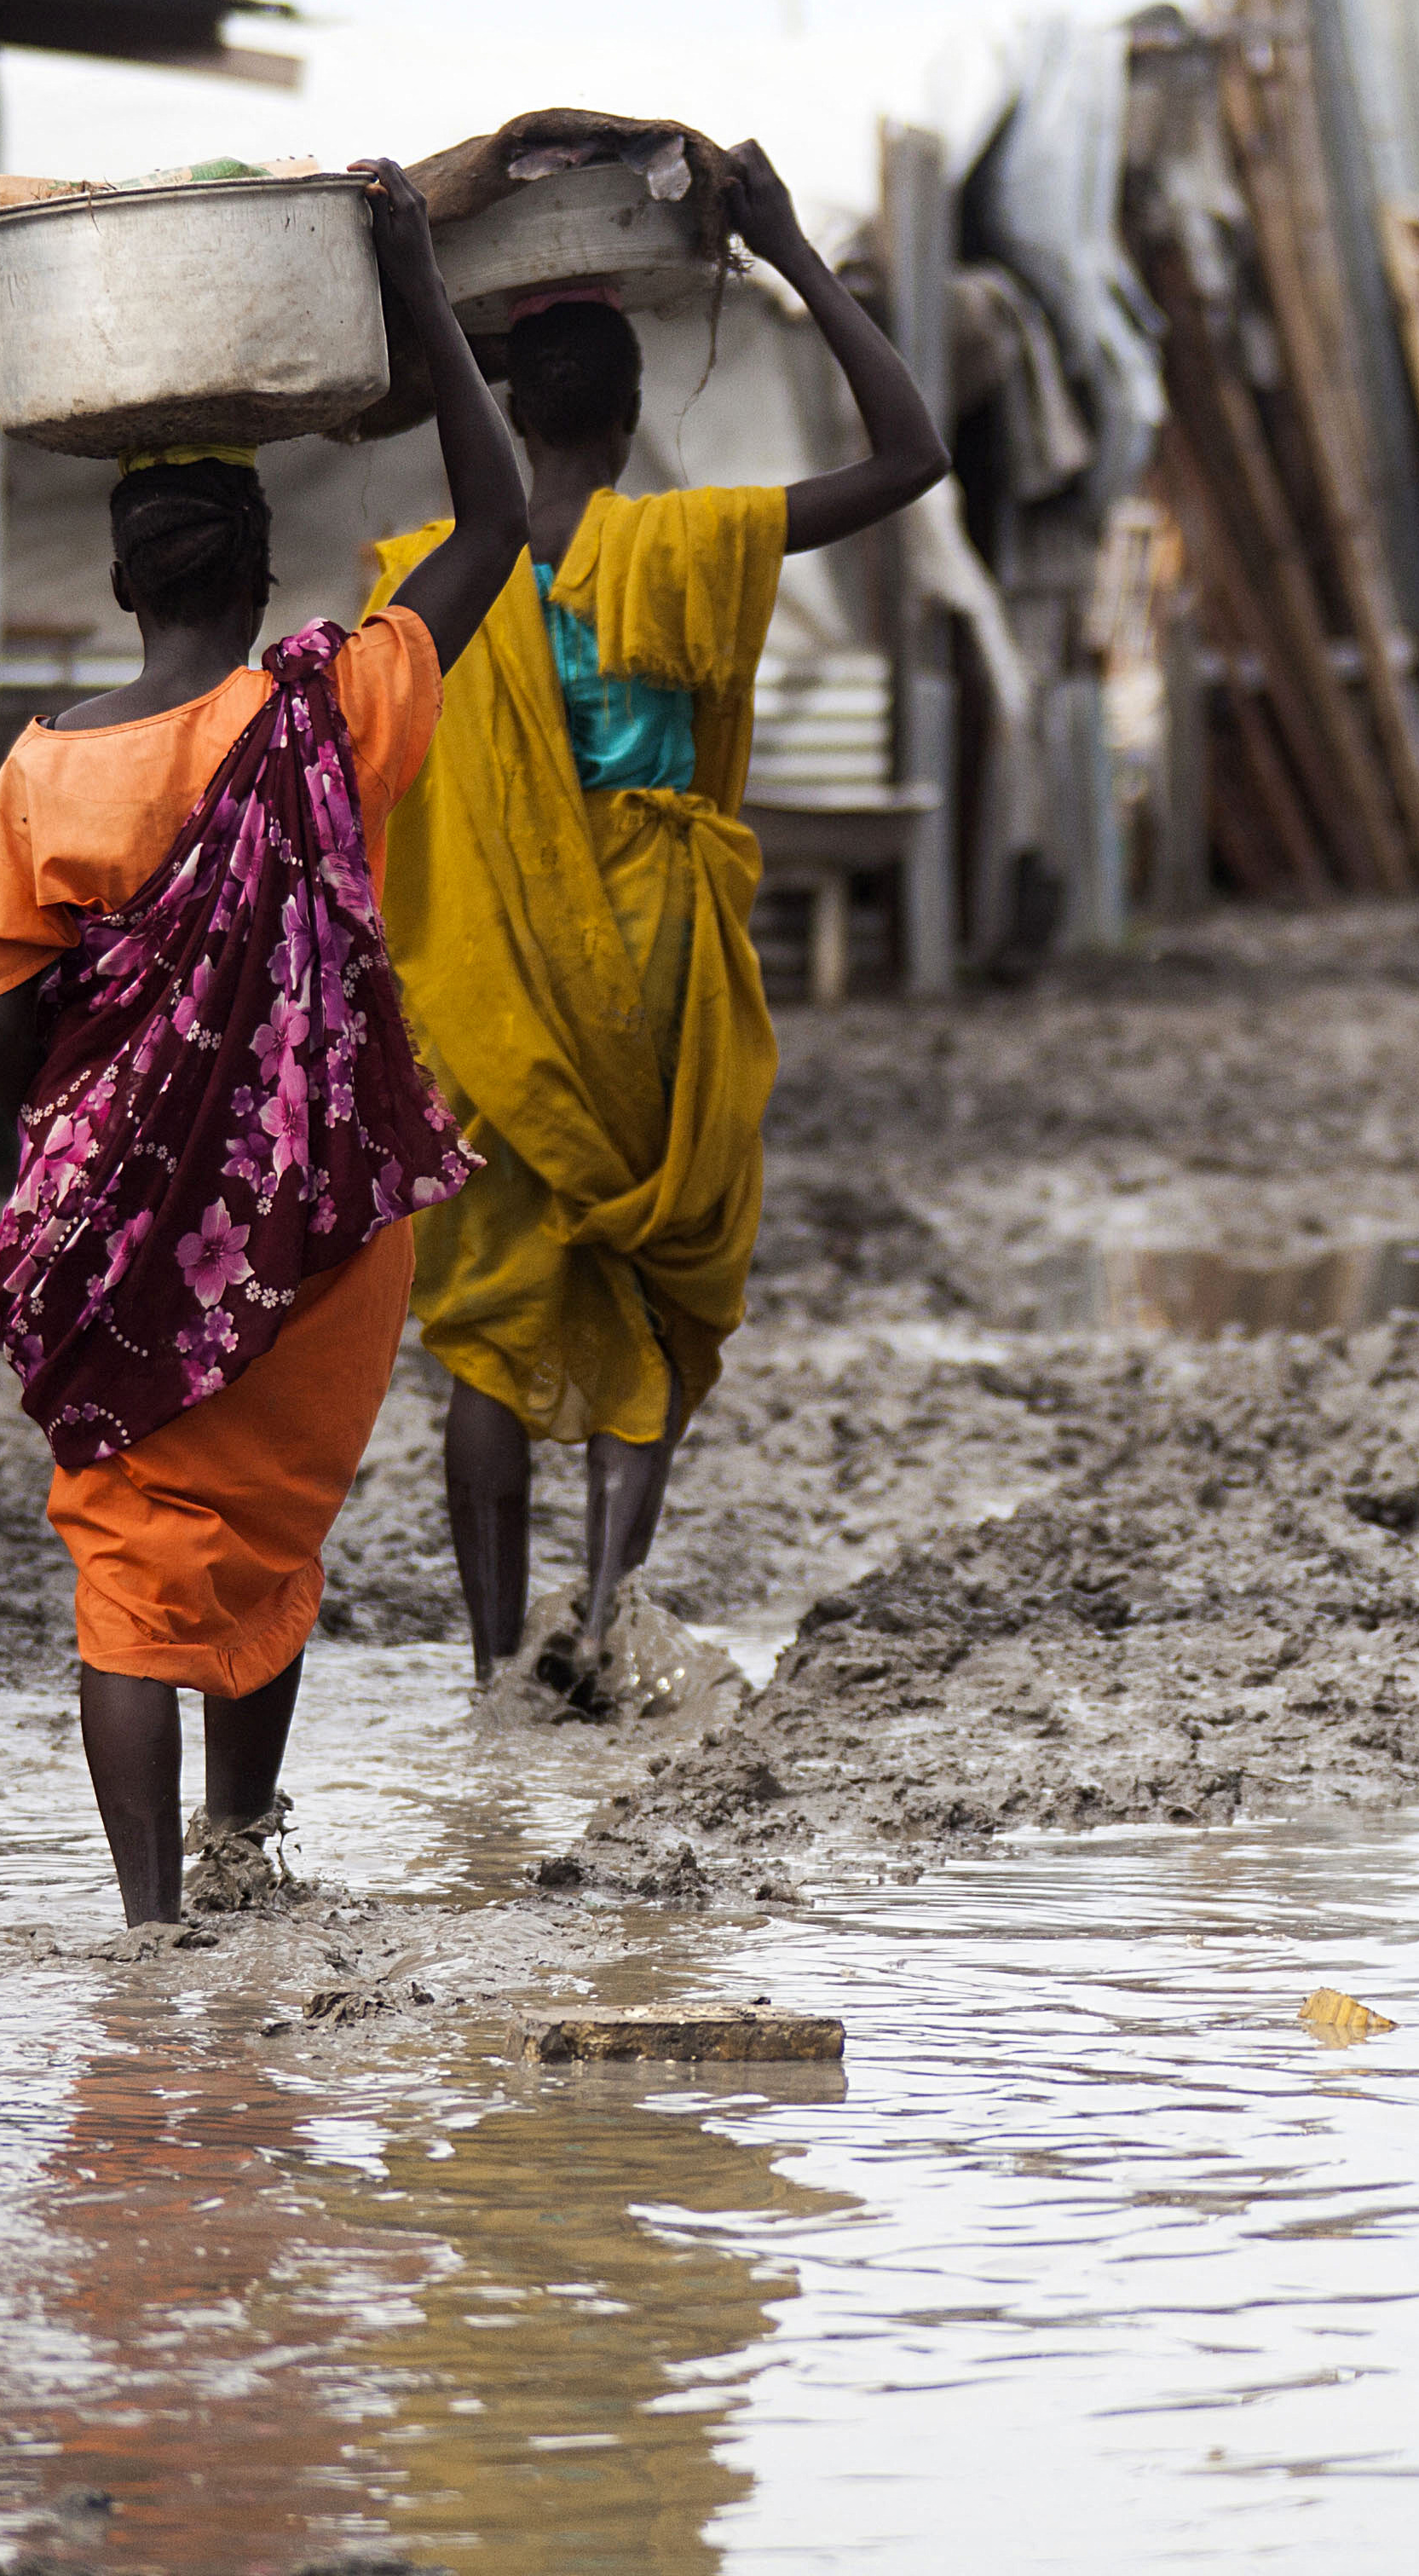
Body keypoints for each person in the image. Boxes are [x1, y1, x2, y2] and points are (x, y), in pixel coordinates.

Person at [0, 160, 533, 1933]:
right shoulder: (330, 708)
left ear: (121, 587)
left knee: (132, 1554)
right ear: (262, 565)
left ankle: (151, 1927)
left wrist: (102, 1131)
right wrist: (420, 292)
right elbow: (495, 524)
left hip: (127, 1223)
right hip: (319, 1216)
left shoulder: (43, 775)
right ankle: (247, 1837)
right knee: (267, 1530)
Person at [365, 139, 946, 1698]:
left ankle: (497, 1668)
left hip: (480, 985)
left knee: (485, 1321)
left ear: (502, 415)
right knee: (651, 1284)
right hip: (661, 978)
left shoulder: (425, 581)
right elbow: (909, 457)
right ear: (625, 420)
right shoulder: (686, 543)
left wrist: (415, 276)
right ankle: (607, 1619)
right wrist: (792, 255)